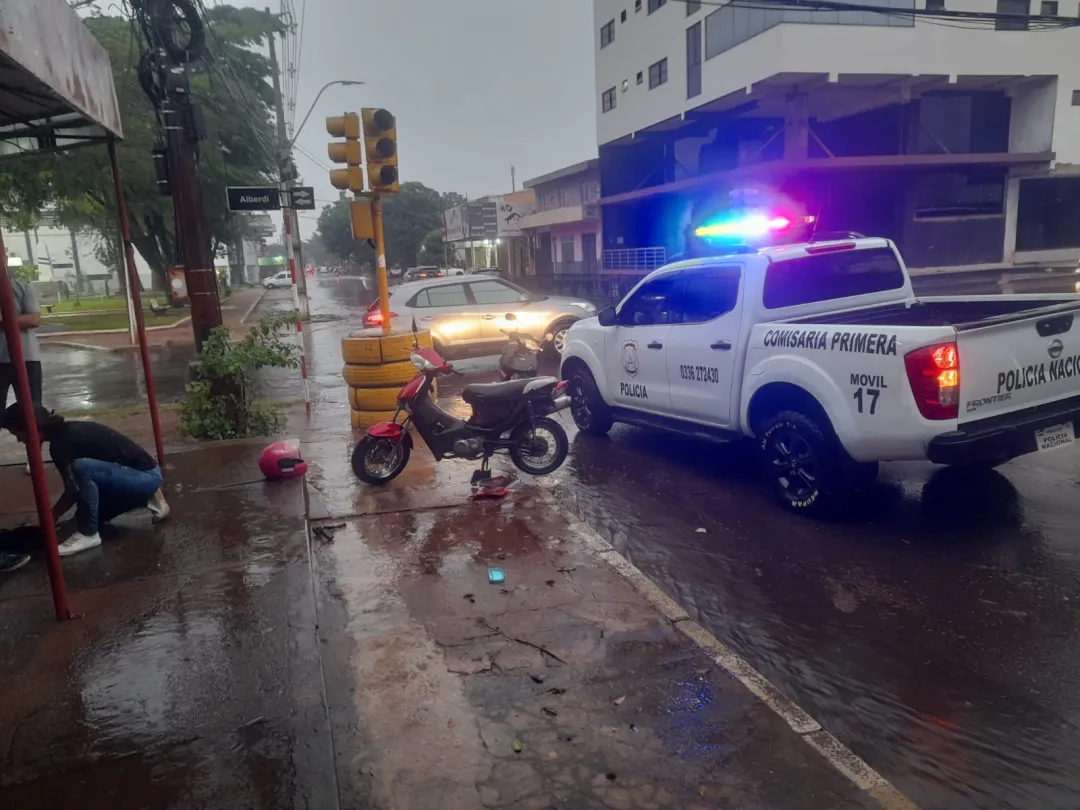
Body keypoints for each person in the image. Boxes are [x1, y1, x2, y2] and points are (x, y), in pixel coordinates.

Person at [2, 404, 169, 557]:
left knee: (82, 469)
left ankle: (89, 534)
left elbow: (73, 489)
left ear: (31, 429)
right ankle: (147, 497)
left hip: (145, 477)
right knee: (81, 519)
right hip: (142, 473)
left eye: (17, 434)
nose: (18, 440)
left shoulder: (61, 445)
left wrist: (51, 515)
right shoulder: (69, 431)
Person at [0, 276, 42, 475]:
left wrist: (3, 319)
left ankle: (33, 457)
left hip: (27, 358)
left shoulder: (22, 286)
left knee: (32, 411)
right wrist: (14, 320)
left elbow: (33, 319)